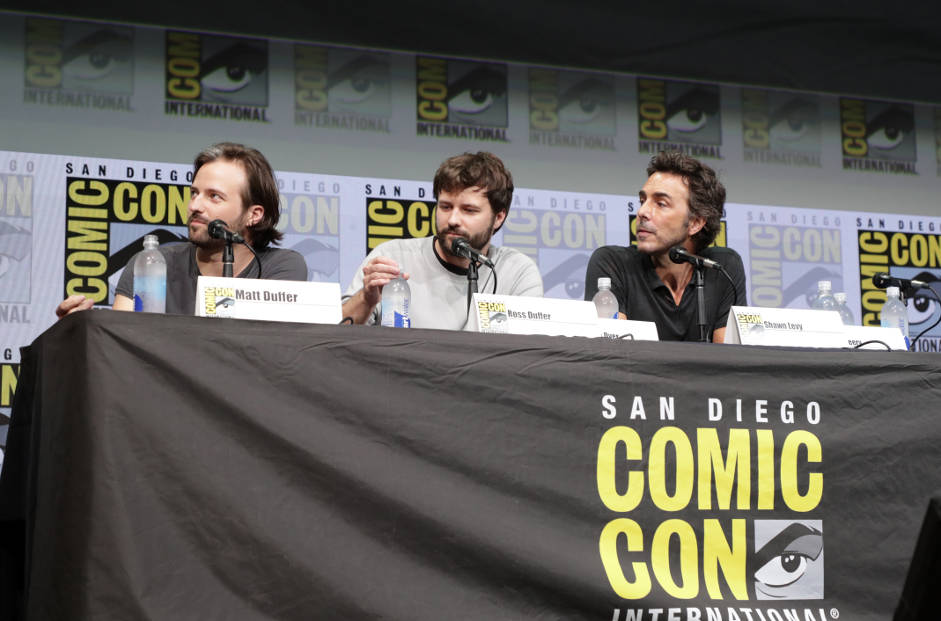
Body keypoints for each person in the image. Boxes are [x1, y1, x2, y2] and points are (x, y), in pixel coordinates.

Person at [56, 142, 308, 317]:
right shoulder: (152, 264)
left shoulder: (281, 268)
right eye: (194, 193)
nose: (195, 206)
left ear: (254, 214)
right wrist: (84, 329)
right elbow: (121, 343)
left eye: (214, 196)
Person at [343, 152, 543, 329]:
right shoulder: (393, 258)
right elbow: (334, 337)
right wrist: (366, 299)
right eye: (445, 207)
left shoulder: (516, 272)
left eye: (469, 210)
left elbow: (529, 351)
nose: (453, 220)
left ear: (498, 217)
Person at [584, 151, 746, 342]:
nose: (642, 211)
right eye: (642, 201)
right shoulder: (613, 263)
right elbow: (614, 351)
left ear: (695, 223)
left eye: (661, 204)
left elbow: (731, 355)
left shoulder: (722, 268)